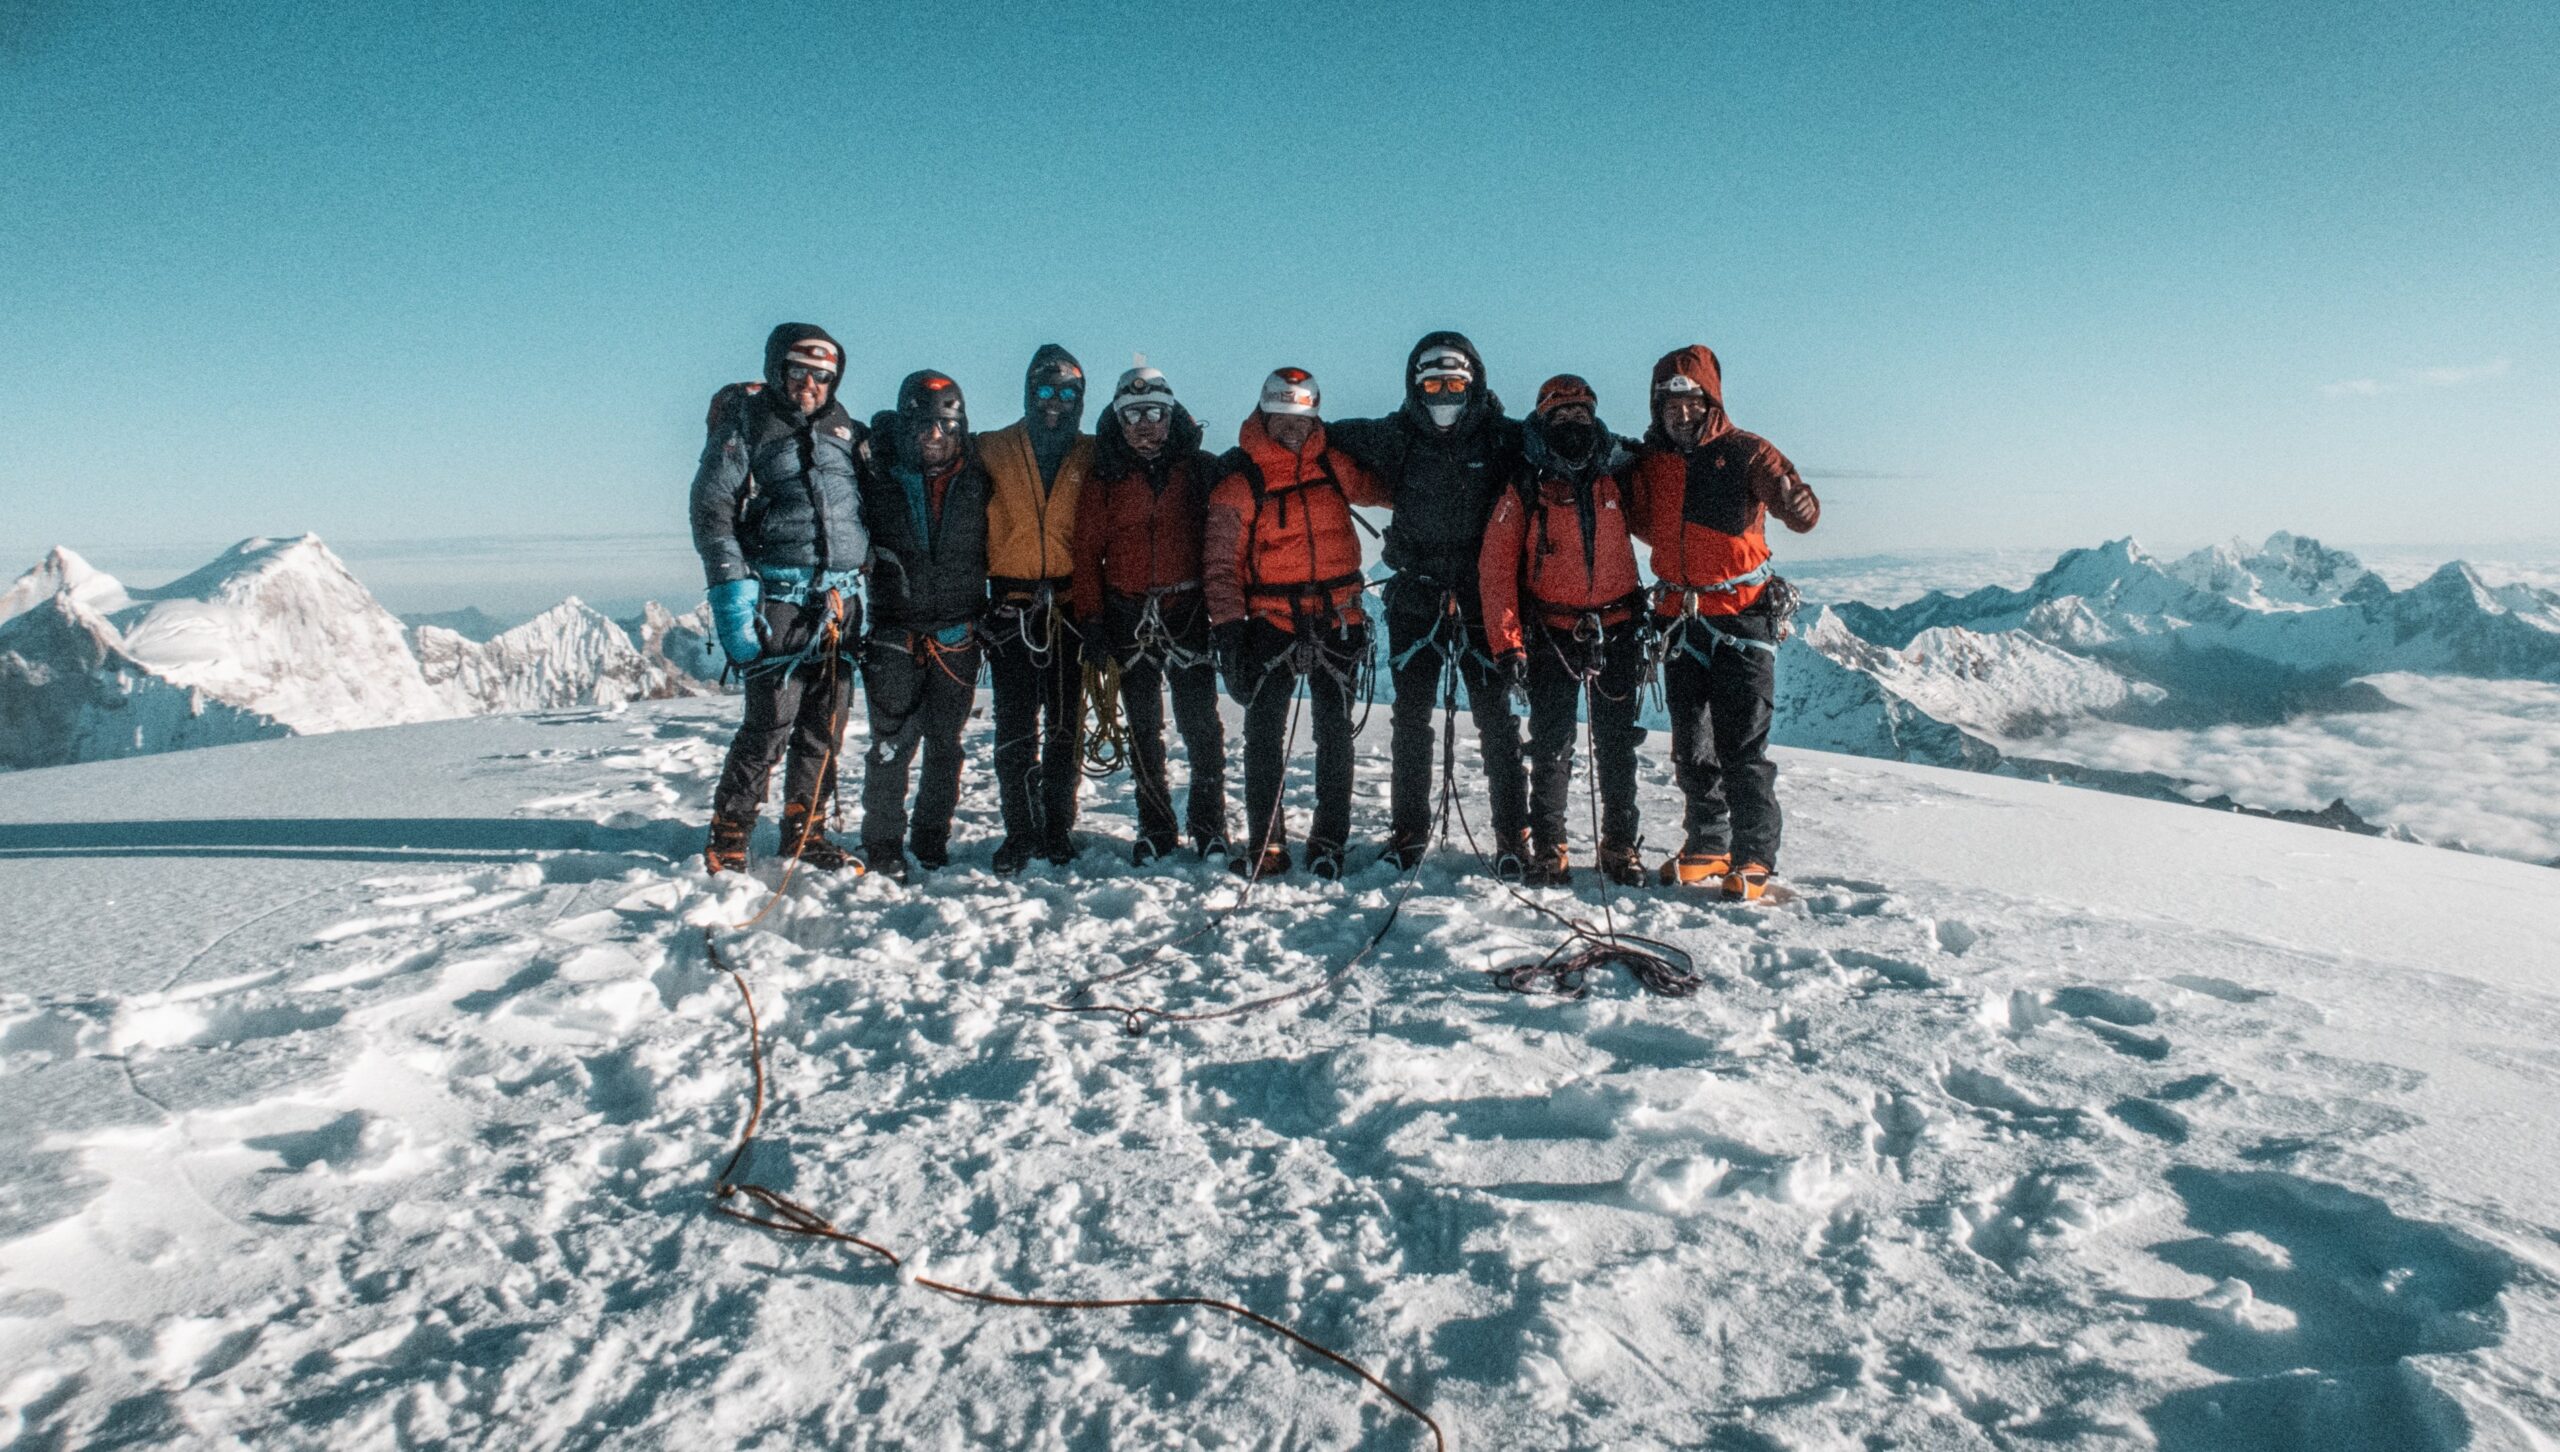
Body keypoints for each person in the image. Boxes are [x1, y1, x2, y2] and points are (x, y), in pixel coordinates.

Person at [1327, 332, 1532, 876]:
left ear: (1474, 384)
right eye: (1434, 385)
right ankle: (1410, 831)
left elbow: (1558, 442)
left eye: (1455, 385)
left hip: (1480, 595)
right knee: (1412, 720)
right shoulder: (1397, 437)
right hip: (1416, 593)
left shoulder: (1503, 439)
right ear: (1416, 388)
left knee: (1495, 719)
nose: (1444, 397)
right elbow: (1328, 437)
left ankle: (1513, 837)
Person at [1628, 345, 1821, 900]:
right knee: (1691, 746)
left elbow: (1801, 513)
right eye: (1670, 403)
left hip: (1742, 618)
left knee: (1742, 746)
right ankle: (1708, 844)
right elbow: (1643, 520)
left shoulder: (1746, 453)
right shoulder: (1653, 464)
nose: (1680, 413)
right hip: (1679, 619)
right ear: (1657, 406)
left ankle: (1754, 855)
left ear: (1710, 401)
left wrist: (1796, 502)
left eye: (1691, 401)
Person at [689, 324, 869, 875]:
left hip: (842, 601)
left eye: (822, 376)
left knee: (825, 724)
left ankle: (805, 833)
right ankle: (730, 833)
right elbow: (714, 505)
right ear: (776, 369)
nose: (809, 385)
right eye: (798, 372)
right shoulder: (746, 425)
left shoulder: (847, 432)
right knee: (771, 721)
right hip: (780, 598)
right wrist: (728, 587)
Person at [1202, 368, 1385, 881]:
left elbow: (1385, 490)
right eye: (1282, 419)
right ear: (1264, 415)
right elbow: (1220, 565)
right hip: (1268, 620)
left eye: (1301, 419)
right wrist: (1229, 627)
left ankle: (1328, 843)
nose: (1292, 429)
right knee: (1263, 737)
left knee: (1335, 735)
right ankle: (1268, 843)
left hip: (1337, 617)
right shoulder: (1240, 483)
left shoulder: (1335, 466)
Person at [1478, 376, 1648, 887]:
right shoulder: (1526, 486)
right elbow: (1496, 570)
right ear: (1544, 421)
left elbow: (1663, 526)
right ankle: (1550, 847)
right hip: (1551, 633)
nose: (1573, 423)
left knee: (1617, 746)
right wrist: (1508, 645)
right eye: (1562, 415)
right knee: (1552, 745)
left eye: (1582, 413)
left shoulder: (1620, 474)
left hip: (1618, 628)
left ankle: (1620, 847)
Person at [1072, 367, 1230, 865]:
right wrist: (1092, 620)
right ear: (1119, 421)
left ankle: (1210, 828)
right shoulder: (1105, 477)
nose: (1145, 424)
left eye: (1155, 413)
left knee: (1201, 726)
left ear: (1171, 415)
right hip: (1127, 614)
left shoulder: (1199, 469)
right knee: (1143, 729)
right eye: (1134, 415)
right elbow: (1085, 552)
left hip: (1187, 611)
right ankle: (1156, 829)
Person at [856, 370, 990, 881]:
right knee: (892, 743)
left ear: (960, 427)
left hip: (958, 633)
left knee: (945, 744)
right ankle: (883, 843)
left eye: (945, 426)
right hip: (894, 631)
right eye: (923, 426)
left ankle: (931, 839)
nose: (934, 436)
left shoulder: (980, 476)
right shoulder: (877, 475)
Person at [977, 344, 1095, 873]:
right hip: (1012, 609)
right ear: (1028, 392)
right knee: (1016, 727)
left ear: (1080, 399)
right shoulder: (992, 448)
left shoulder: (1094, 453)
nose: (1055, 402)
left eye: (1068, 393)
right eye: (1045, 390)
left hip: (1071, 607)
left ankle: (1057, 828)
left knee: (1067, 726)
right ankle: (1020, 831)